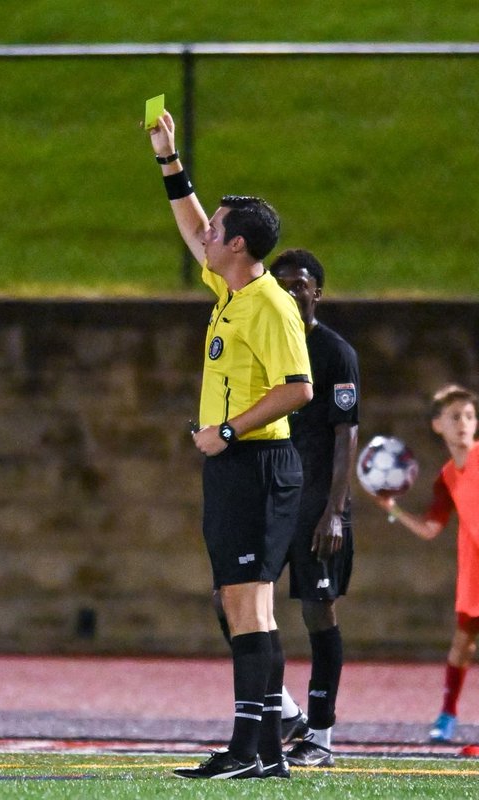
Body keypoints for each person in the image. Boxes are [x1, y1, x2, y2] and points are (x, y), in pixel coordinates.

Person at [147, 111, 313, 779]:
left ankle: (253, 750)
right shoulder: (232, 287)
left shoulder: (269, 304)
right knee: (246, 603)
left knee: (248, 603)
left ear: (238, 244)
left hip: (257, 463)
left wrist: (225, 430)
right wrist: (169, 162)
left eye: (217, 230)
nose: (205, 235)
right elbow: (189, 224)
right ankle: (261, 751)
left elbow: (297, 388)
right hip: (236, 466)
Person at [212, 249, 360, 768]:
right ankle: (288, 712)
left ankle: (320, 737)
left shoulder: (334, 352)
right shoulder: (267, 337)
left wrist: (335, 512)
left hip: (319, 506)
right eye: (283, 284)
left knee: (319, 612)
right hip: (274, 497)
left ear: (317, 291)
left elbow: (346, 435)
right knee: (233, 602)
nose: (292, 291)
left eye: (301, 284)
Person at [377, 384, 479, 744]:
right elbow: (430, 529)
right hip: (474, 571)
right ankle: (447, 715)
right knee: (463, 643)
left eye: (469, 415)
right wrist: (393, 510)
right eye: (455, 417)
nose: (464, 423)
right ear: (438, 425)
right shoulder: (447, 478)